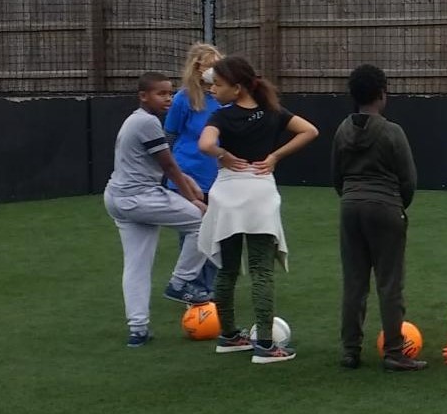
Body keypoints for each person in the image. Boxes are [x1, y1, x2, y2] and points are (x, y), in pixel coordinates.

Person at [197, 56, 318, 365]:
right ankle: (265, 345)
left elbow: (205, 144)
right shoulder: (273, 113)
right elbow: (310, 131)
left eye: (218, 85)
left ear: (237, 89)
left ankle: (229, 336)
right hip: (260, 193)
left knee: (227, 269)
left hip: (227, 194)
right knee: (262, 270)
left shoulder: (221, 118)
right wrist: (275, 157)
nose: (213, 90)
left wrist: (223, 154)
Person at [103, 73, 212, 347]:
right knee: (204, 220)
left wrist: (188, 183)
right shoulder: (147, 122)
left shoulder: (135, 120)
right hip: (138, 198)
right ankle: (181, 282)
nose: (168, 98)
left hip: (118, 198)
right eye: (161, 94)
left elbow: (162, 164)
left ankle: (138, 330)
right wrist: (192, 199)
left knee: (136, 265)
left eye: (170, 93)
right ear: (143, 96)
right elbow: (169, 166)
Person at [332, 63, 425, 372]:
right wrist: (398, 206)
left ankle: (350, 350)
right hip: (385, 208)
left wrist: (350, 198)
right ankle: (394, 352)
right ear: (382, 94)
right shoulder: (392, 132)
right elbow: (408, 179)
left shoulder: (342, 129)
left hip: (350, 206)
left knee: (354, 283)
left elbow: (336, 175)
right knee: (390, 283)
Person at [164, 42, 223, 295]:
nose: (214, 73)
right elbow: (170, 135)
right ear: (197, 68)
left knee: (216, 233)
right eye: (210, 67)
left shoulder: (222, 98)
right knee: (194, 231)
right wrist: (174, 174)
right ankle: (192, 284)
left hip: (217, 175)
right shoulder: (183, 99)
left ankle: (208, 285)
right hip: (189, 175)